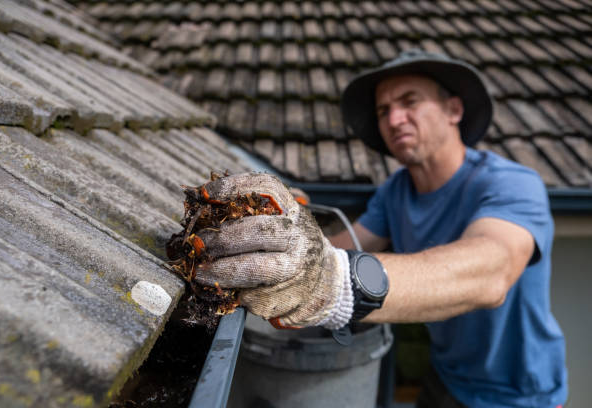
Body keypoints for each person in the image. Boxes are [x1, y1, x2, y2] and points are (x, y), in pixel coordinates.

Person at [192, 50, 568, 408]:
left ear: (454, 109)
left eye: (410, 101)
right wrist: (288, 218)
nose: (393, 119)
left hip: (519, 394)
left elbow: (492, 272)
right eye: (384, 110)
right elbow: (336, 247)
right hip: (445, 376)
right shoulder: (396, 192)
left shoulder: (511, 184)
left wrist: (332, 286)